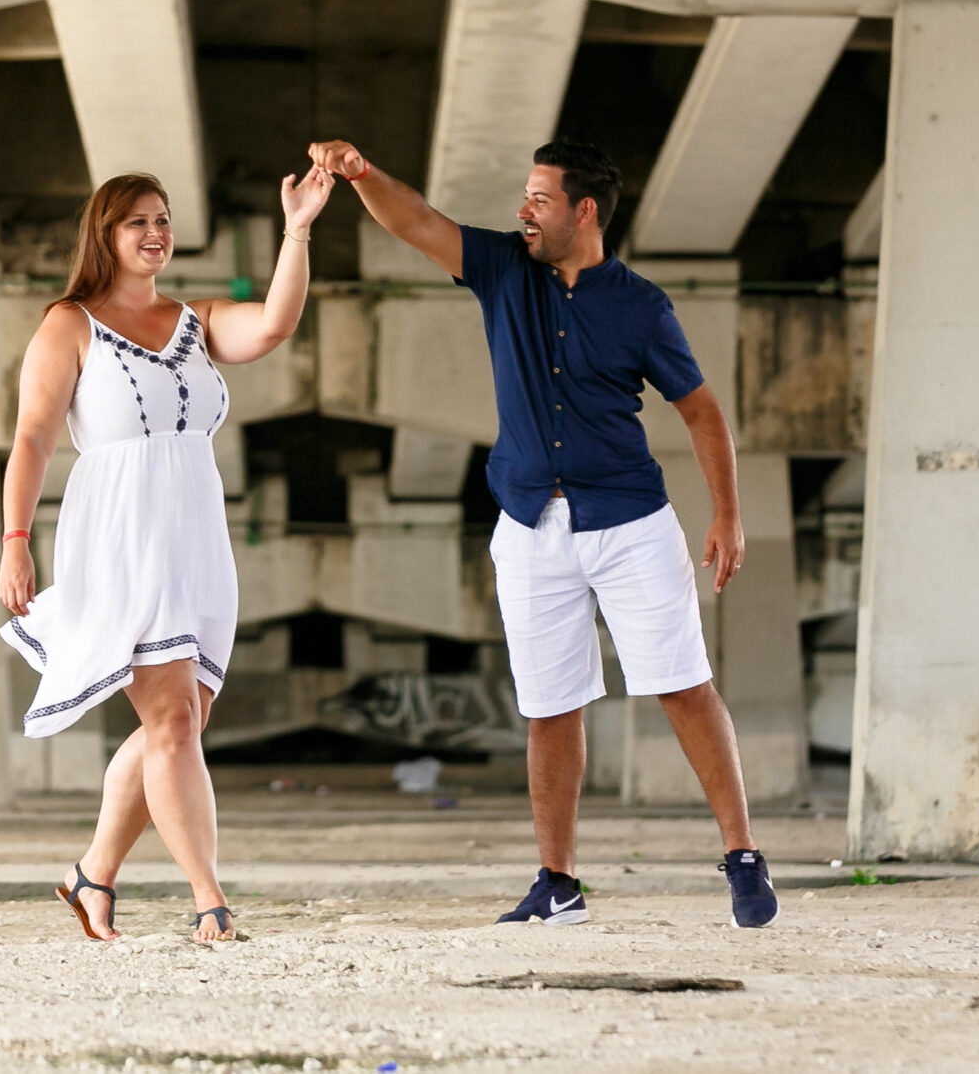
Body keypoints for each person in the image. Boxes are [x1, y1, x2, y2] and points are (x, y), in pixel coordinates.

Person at [307, 136, 778, 930]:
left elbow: (700, 410)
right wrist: (361, 175)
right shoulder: (500, 269)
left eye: (540, 198)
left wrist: (728, 512)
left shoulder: (641, 305)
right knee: (550, 704)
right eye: (525, 197)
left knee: (681, 685)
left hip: (629, 519)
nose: (523, 210)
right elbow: (417, 221)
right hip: (529, 524)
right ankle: (557, 882)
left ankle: (742, 856)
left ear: (583, 210)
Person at [0, 166, 335, 943]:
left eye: (163, 219)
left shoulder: (197, 319)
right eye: (136, 222)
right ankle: (209, 898)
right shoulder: (69, 323)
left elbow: (278, 323)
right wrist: (16, 542)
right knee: (175, 722)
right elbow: (33, 439)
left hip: (194, 538)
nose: (155, 233)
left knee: (172, 726)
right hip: (120, 536)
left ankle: (93, 874)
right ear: (105, 235)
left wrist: (297, 228)